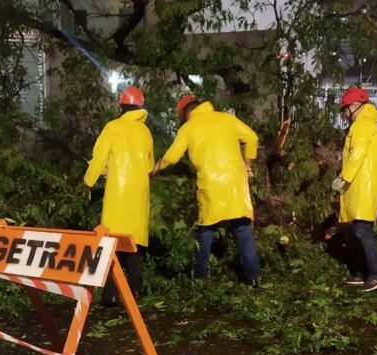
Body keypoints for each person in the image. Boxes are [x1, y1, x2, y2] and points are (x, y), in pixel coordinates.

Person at [155, 94, 261, 287]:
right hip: (236, 186)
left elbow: (171, 157)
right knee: (243, 231)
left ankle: (201, 279)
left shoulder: (188, 128)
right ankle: (253, 278)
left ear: (186, 112)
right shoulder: (227, 119)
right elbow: (252, 138)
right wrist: (247, 165)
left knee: (206, 232)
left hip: (211, 186)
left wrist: (155, 168)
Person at [83, 85, 153, 305]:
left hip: (116, 194)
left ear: (122, 107)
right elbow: (149, 165)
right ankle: (134, 292)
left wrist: (88, 181)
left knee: (111, 242)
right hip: (139, 195)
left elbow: (99, 158)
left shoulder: (112, 127)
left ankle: (111, 294)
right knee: (135, 243)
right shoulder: (145, 132)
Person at [332, 87, 377, 292]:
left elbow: (358, 153)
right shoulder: (368, 124)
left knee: (362, 229)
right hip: (363, 185)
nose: (345, 114)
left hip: (363, 185)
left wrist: (343, 177)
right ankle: (360, 272)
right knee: (355, 230)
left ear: (355, 106)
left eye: (345, 110)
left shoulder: (363, 125)